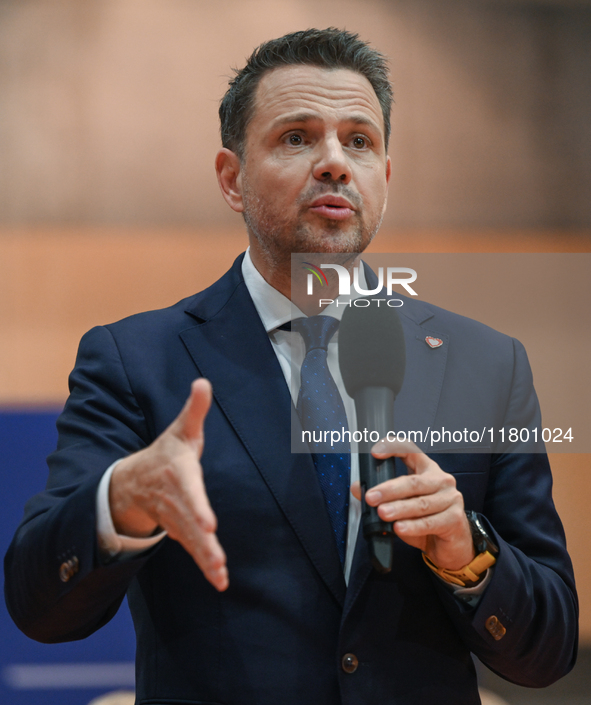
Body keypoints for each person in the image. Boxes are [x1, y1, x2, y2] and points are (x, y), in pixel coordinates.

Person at [4, 28, 577, 705]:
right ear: (231, 179)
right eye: (297, 137)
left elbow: (548, 649)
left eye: (358, 141)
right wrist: (120, 501)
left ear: (383, 180)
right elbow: (39, 607)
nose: (334, 161)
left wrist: (467, 553)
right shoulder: (136, 359)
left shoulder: (486, 364)